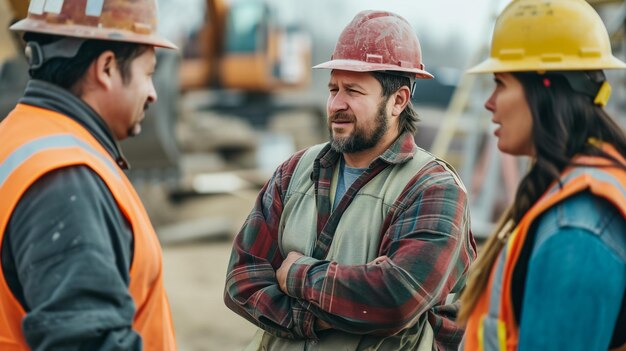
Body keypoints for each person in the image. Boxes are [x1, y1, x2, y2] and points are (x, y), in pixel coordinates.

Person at [224, 10, 476, 351]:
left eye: (353, 91)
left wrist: (296, 273)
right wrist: (316, 319)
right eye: (333, 89)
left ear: (398, 101)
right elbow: (241, 279)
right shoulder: (294, 172)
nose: (336, 104)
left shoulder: (433, 189)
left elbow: (394, 298)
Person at [0, 0, 178, 349]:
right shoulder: (64, 182)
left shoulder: (16, 139)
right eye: (149, 73)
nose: (153, 93)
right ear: (107, 68)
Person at [457, 0, 626, 350]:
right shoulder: (572, 195)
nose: (490, 102)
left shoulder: (577, 230)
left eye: (500, 83)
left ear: (545, 87)